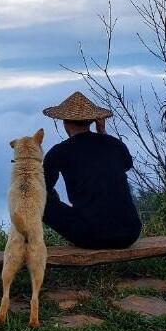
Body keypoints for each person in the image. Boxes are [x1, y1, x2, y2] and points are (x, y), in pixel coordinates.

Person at [41, 91, 141, 249]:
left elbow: (40, 187)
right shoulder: (115, 144)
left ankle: (26, 242)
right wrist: (103, 134)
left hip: (91, 235)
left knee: (38, 201)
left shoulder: (60, 151)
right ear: (91, 122)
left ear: (65, 123)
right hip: (130, 233)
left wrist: (53, 198)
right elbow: (127, 165)